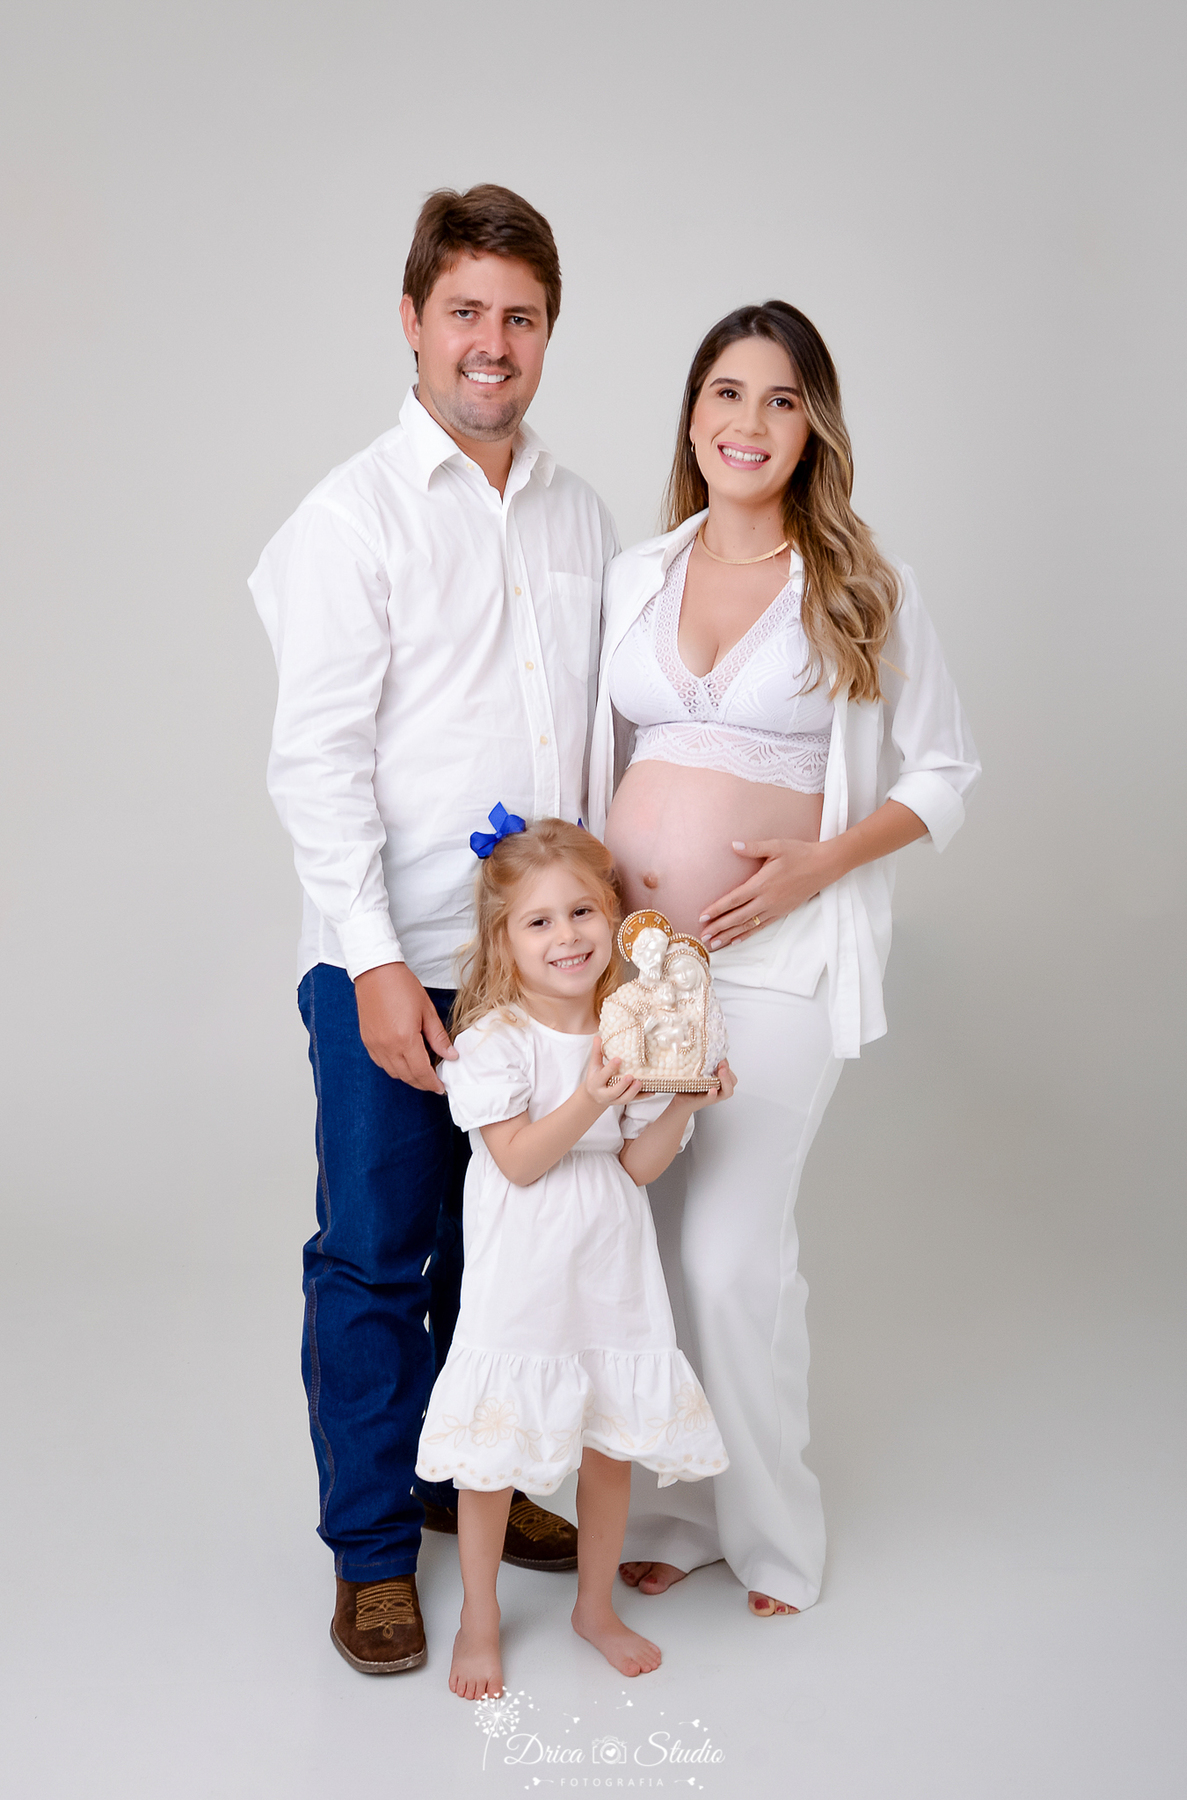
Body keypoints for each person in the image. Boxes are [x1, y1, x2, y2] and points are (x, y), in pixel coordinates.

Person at [249, 185, 619, 1674]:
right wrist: (376, 961)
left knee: (504, 1243)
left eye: (520, 317)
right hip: (393, 954)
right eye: (465, 310)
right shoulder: (350, 518)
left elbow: (594, 743)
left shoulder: (581, 515)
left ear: (548, 334)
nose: (491, 342)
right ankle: (371, 1552)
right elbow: (315, 761)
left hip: (541, 961)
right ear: (412, 323)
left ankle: (474, 1474)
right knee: (376, 1253)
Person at [588, 300, 981, 1618]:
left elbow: (946, 772)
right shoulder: (636, 574)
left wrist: (824, 859)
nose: (748, 422)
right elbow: (599, 762)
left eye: (782, 399)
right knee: (649, 1248)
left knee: (729, 1258)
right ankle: (681, 1514)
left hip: (782, 965)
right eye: (727, 392)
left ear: (814, 429)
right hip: (639, 969)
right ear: (693, 414)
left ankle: (774, 1535)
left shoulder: (862, 583)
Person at [415, 815, 733, 1699]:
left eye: (583, 912)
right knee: (493, 1454)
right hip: (525, 1266)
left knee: (610, 1441)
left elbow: (635, 1167)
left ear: (615, 920)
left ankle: (595, 1607)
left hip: (608, 1259)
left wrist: (685, 1100)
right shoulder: (495, 1040)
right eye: (540, 920)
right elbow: (518, 1161)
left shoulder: (626, 1030)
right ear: (503, 940)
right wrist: (590, 1096)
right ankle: (481, 1617)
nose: (567, 935)